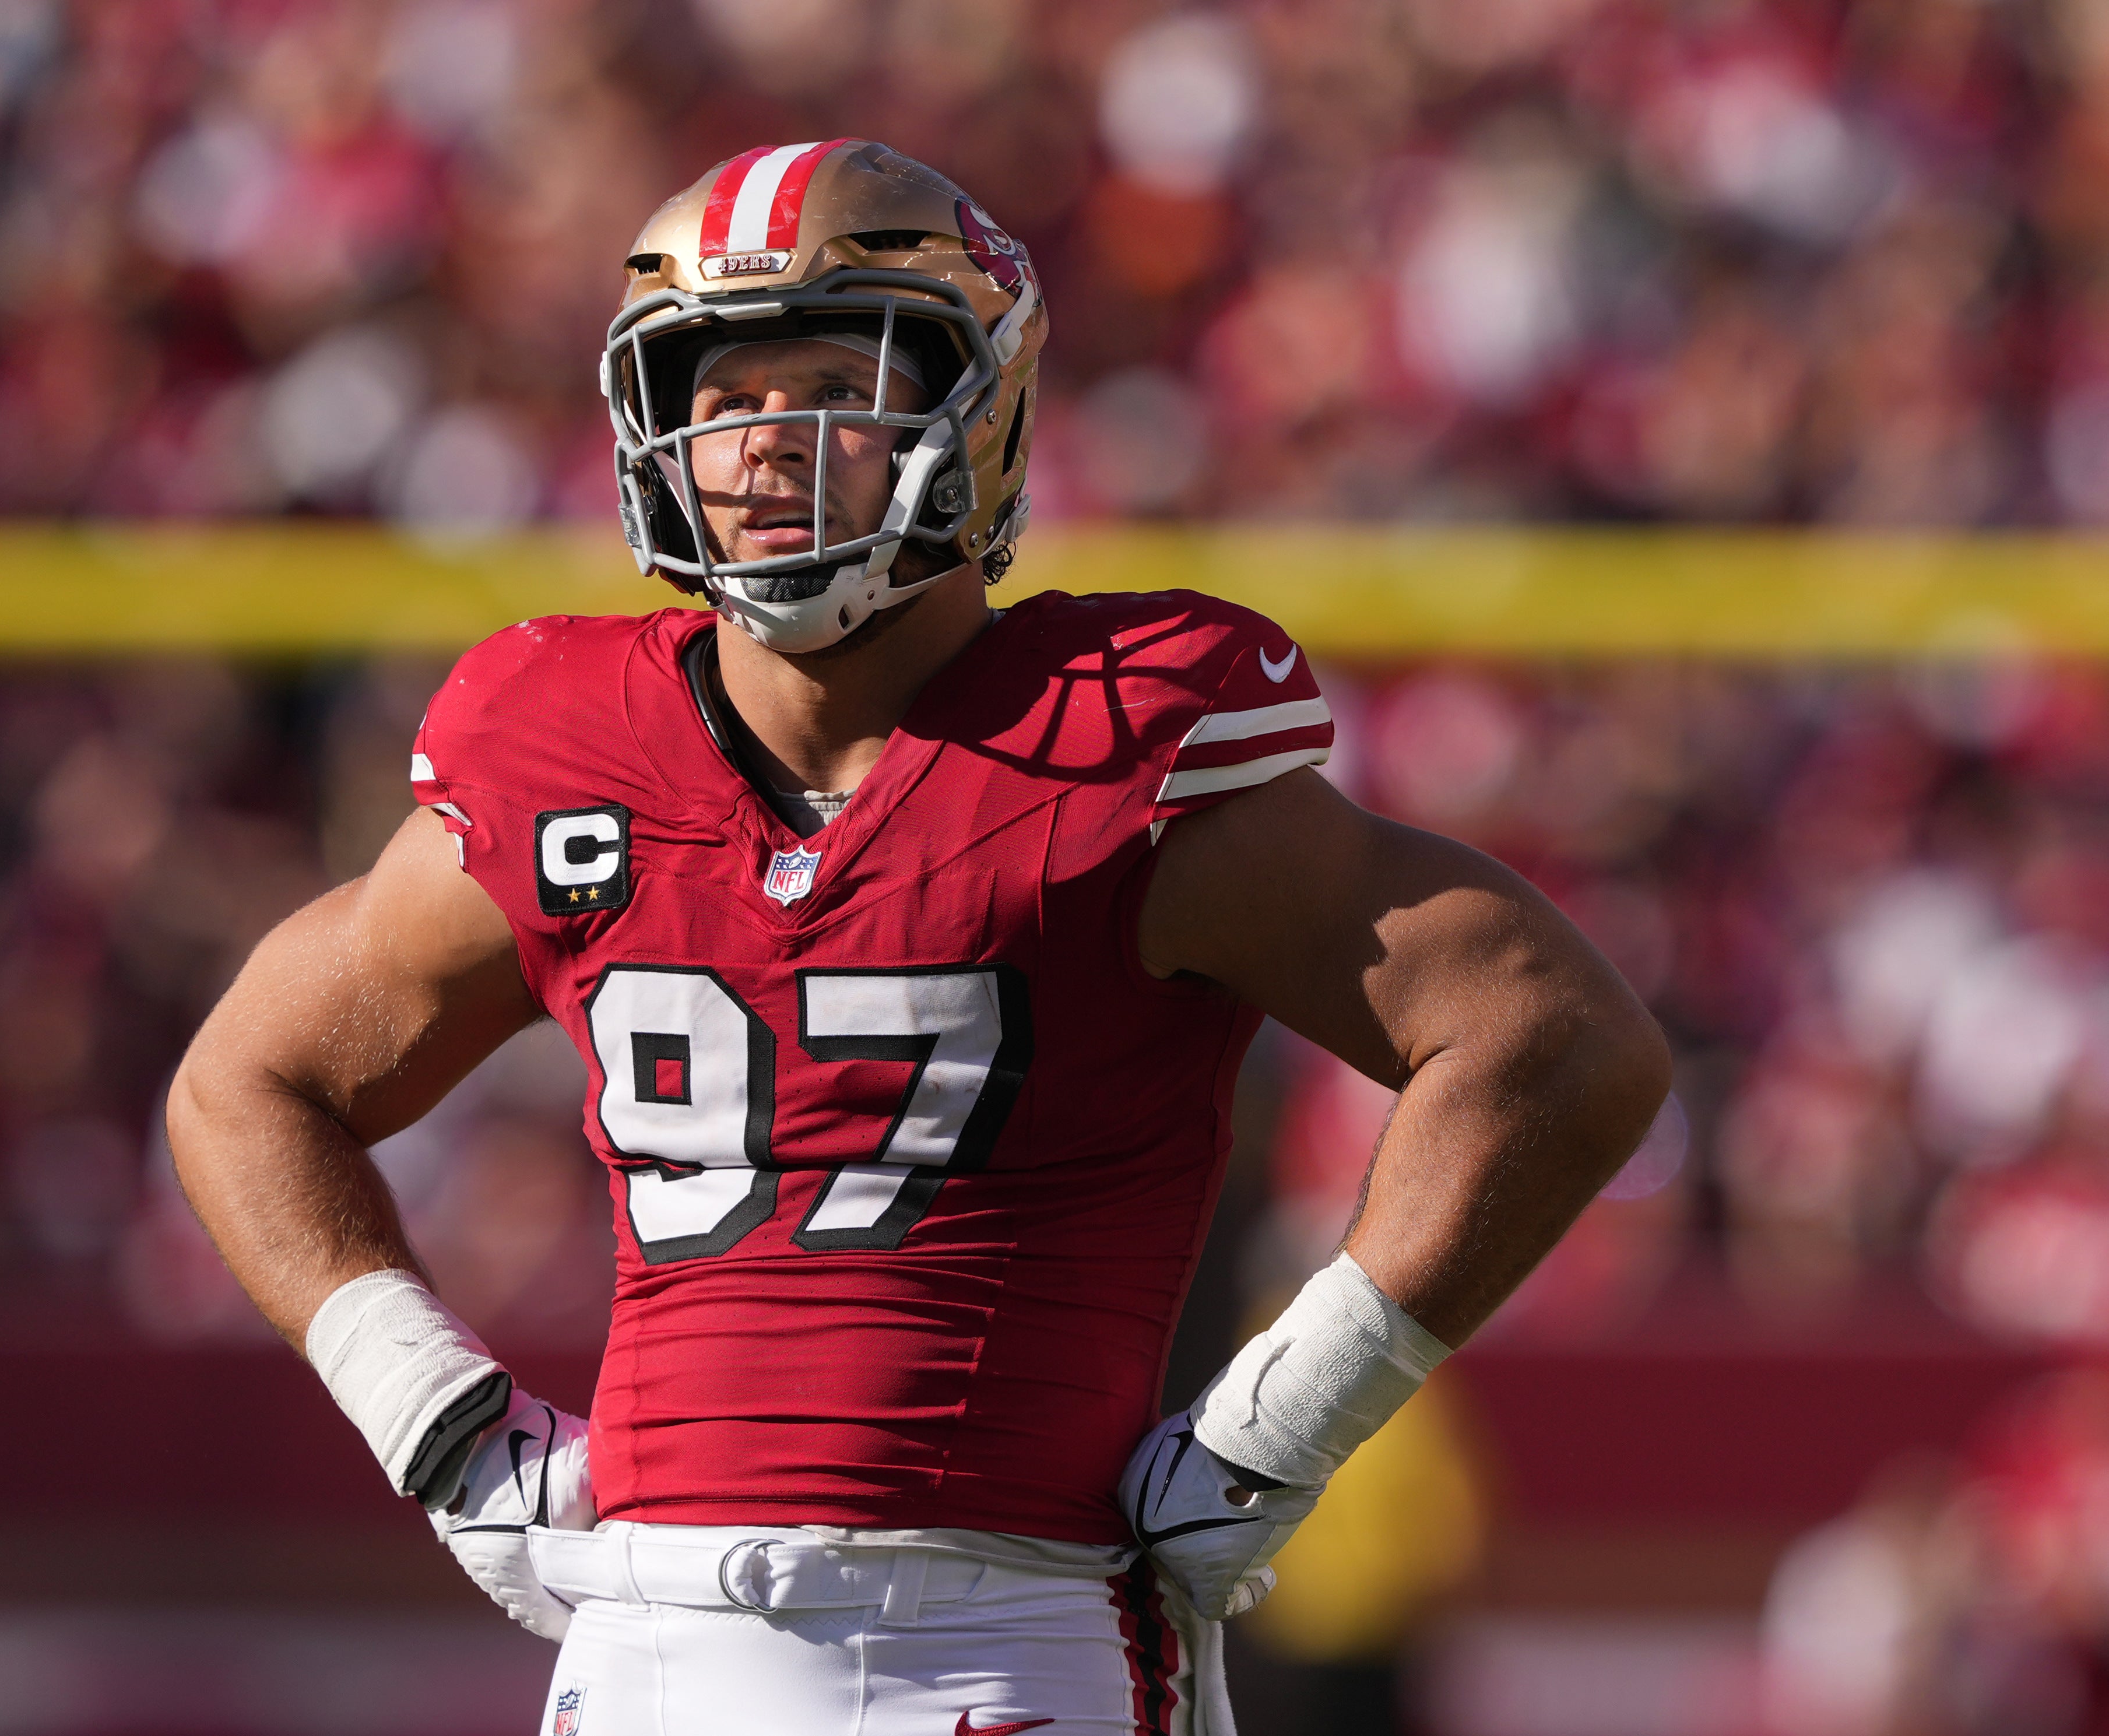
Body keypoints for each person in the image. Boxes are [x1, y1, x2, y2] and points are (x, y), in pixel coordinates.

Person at [167, 139, 1669, 1736]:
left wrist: (1285, 1418)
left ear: (983, 409)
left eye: (837, 382)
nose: (764, 440)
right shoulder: (563, 750)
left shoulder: (1112, 745)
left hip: (1010, 1632)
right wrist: (434, 1414)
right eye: (722, 392)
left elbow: (1554, 1039)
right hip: (648, 1643)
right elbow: (245, 1085)